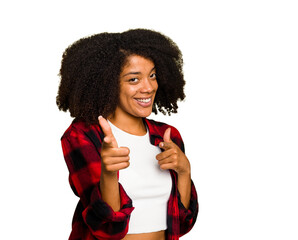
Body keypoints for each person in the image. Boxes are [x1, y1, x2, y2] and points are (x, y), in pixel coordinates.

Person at [57, 29, 198, 240]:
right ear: (107, 84)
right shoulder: (83, 136)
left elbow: (182, 223)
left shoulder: (166, 136)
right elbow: (107, 226)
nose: (148, 87)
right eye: (134, 80)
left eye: (152, 76)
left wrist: (185, 171)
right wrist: (109, 173)